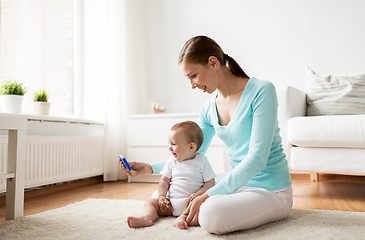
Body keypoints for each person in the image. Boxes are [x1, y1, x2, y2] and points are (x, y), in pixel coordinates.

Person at [121, 35, 293, 234]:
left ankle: (204, 209)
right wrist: (149, 168)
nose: (192, 85)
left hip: (271, 191)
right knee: (167, 194)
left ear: (213, 63)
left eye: (193, 75)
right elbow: (190, 152)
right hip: (237, 186)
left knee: (210, 213)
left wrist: (208, 195)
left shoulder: (262, 91)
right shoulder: (209, 108)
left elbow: (257, 159)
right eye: (188, 78)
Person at [125, 121, 215, 230]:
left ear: (191, 146)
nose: (169, 148)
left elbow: (210, 183)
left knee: (205, 209)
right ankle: (147, 217)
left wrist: (199, 194)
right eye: (169, 144)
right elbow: (164, 181)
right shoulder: (172, 162)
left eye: (173, 144)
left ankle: (182, 218)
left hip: (190, 203)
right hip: (170, 204)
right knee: (151, 203)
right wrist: (162, 197)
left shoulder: (202, 161)